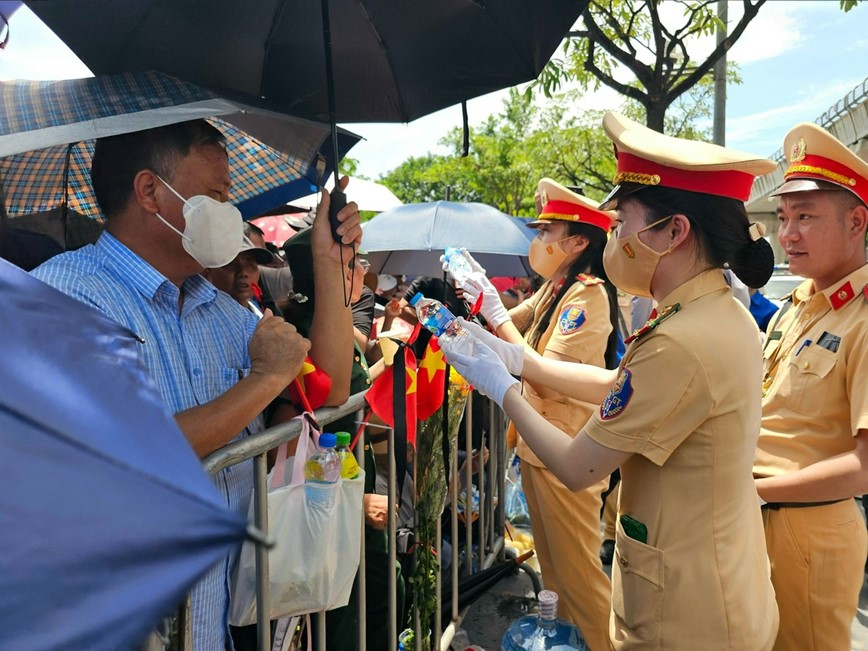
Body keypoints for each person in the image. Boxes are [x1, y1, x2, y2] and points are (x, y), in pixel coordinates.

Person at [440, 112, 780, 650]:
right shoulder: (707, 312)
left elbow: (578, 467)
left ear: (673, 232)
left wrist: (499, 386)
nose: (614, 234)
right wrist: (518, 360)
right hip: (708, 585)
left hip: (689, 616)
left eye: (623, 220)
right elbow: (621, 383)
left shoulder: (682, 338)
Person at [30, 119, 362, 650]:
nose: (231, 215)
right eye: (217, 196)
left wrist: (330, 264)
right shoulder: (68, 295)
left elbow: (330, 386)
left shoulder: (218, 312)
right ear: (150, 192)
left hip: (207, 626)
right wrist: (263, 379)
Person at [445, 178, 621, 650]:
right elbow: (507, 329)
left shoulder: (588, 295)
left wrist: (495, 310)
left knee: (581, 580)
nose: (538, 241)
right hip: (541, 448)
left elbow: (544, 373)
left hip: (567, 453)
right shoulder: (555, 288)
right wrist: (474, 299)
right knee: (556, 578)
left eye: (547, 231)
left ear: (578, 242)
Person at [753, 122, 868, 650]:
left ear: (856, 222)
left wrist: (753, 491)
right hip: (758, 519)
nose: (788, 234)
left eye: (805, 217)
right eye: (783, 218)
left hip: (812, 534)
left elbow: (865, 467)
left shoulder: (862, 320)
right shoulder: (794, 306)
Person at [281, 227, 404, 651]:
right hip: (321, 493)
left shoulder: (334, 323)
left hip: (353, 479)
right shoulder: (298, 329)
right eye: (352, 265)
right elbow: (295, 423)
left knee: (383, 587)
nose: (362, 273)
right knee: (342, 609)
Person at [202, 236, 275, 314]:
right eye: (230, 264)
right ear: (207, 273)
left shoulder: (260, 307)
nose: (243, 273)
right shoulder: (204, 319)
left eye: (250, 265)